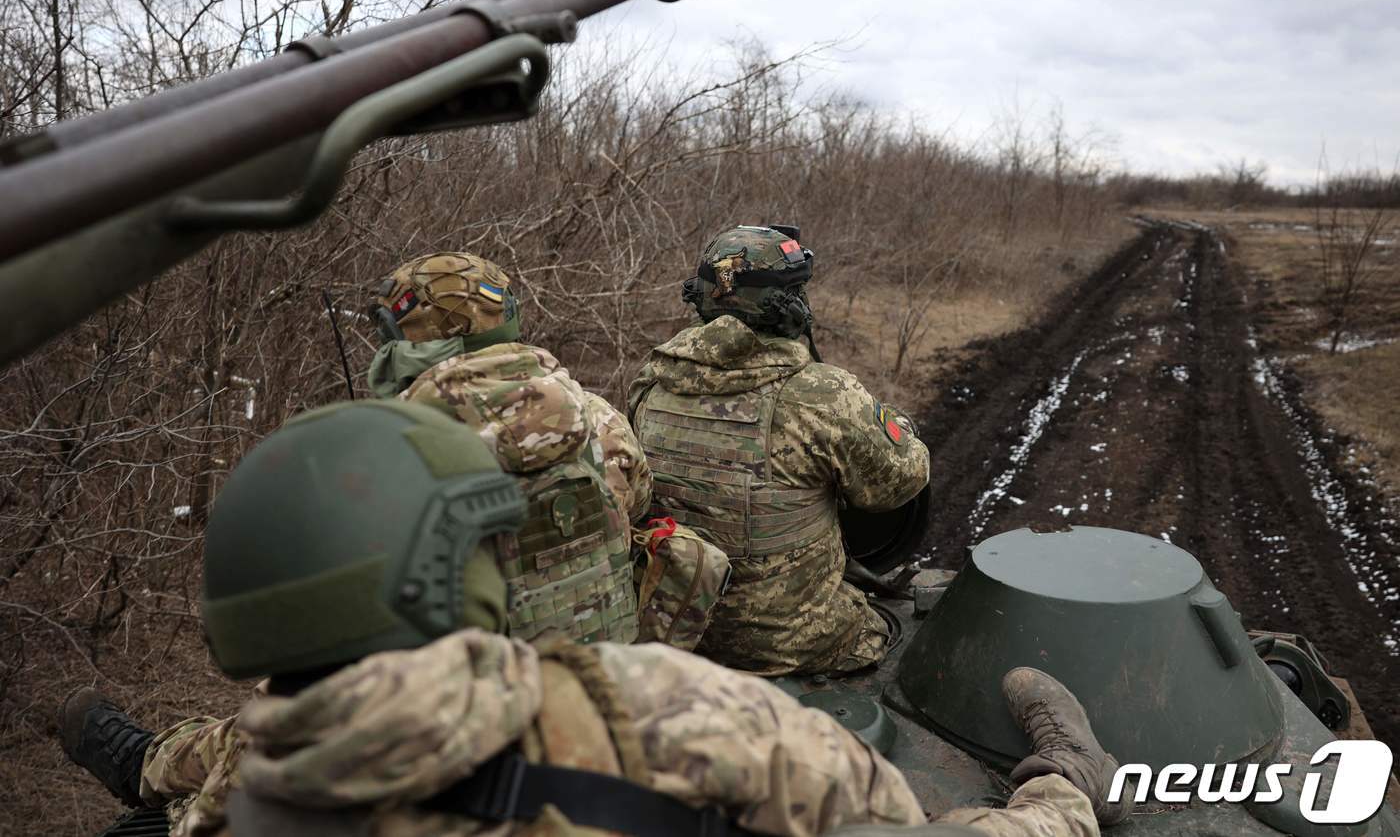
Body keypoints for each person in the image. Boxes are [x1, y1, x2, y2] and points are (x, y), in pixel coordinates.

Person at [60, 400, 1132, 837]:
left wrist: (147, 764)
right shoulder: (656, 713)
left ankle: (127, 750)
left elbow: (232, 742)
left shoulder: (244, 787)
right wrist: (1052, 800)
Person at [628, 225, 929, 675]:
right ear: (790, 307)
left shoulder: (650, 382)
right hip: (793, 645)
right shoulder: (824, 394)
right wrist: (898, 426)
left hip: (675, 632)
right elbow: (902, 481)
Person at [368, 251, 649, 643]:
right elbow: (637, 502)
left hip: (478, 693)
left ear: (397, 339)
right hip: (603, 680)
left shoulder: (380, 454)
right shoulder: (595, 416)